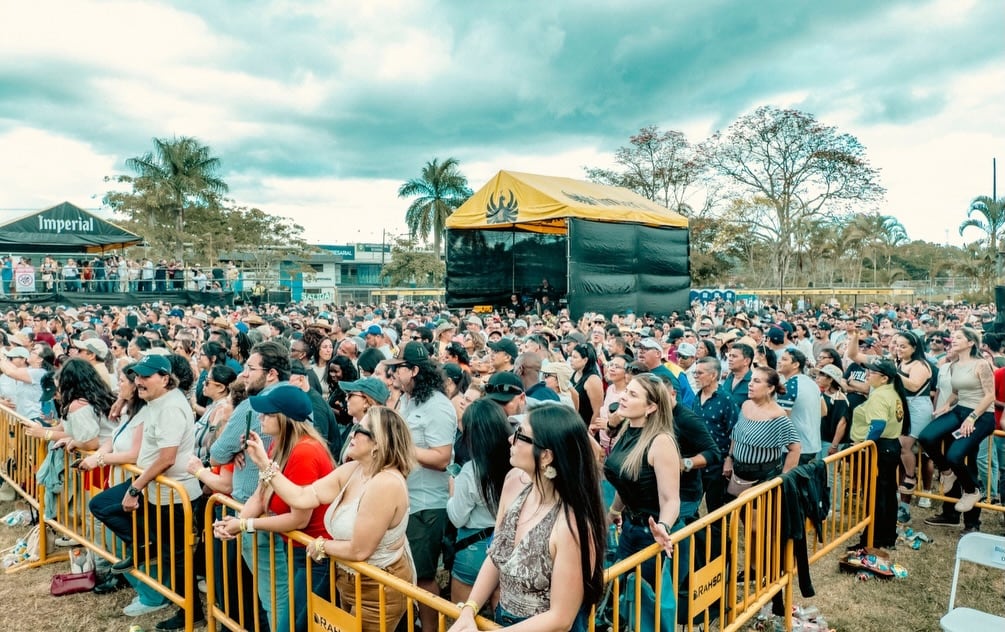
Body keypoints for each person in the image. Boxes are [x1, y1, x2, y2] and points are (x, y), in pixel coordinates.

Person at [244, 406, 416, 630]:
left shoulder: (386, 483)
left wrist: (322, 545)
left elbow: (359, 550)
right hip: (349, 581)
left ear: (378, 443)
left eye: (360, 429)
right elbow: (302, 496)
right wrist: (265, 465)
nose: (352, 434)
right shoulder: (354, 469)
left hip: (378, 588)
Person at [448, 404, 605, 631]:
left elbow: (561, 618)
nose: (510, 439)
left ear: (546, 456)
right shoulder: (514, 482)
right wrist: (469, 608)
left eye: (520, 434)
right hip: (505, 619)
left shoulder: (571, 526)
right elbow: (496, 556)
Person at [88, 353, 204, 631]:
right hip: (158, 490)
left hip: (175, 496)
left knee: (176, 559)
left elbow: (166, 458)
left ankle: (190, 612)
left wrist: (135, 488)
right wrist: (121, 399)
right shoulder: (156, 400)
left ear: (165, 378)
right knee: (102, 505)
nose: (138, 381)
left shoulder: (170, 408)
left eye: (145, 376)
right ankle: (144, 544)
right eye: (136, 376)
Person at [213, 384, 335, 632]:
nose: (260, 418)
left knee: (289, 625)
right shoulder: (277, 445)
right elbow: (260, 495)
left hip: (316, 555)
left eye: (267, 414)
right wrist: (232, 525)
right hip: (298, 549)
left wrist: (245, 524)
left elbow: (298, 520)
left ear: (285, 418)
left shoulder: (305, 451)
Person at [386, 341, 457, 631]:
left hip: (427, 506)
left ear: (414, 370)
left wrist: (401, 446)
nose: (393, 376)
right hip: (406, 501)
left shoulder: (438, 406)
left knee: (423, 578)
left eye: (398, 370)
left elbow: (441, 457)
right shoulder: (408, 399)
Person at [605, 373, 681, 585]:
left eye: (632, 394)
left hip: (651, 536)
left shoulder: (661, 441)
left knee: (641, 603)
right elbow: (626, 479)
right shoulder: (627, 430)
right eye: (626, 391)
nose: (623, 397)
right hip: (629, 528)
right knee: (619, 593)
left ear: (650, 407)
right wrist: (613, 512)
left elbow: (671, 499)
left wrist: (663, 527)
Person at [920, 327, 997, 530]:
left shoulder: (981, 364)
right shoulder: (954, 365)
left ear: (971, 342)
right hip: (960, 410)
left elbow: (990, 396)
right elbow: (956, 391)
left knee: (958, 456)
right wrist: (947, 404)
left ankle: (972, 495)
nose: (952, 340)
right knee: (926, 437)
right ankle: (946, 472)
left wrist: (972, 418)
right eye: (952, 338)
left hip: (981, 416)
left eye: (958, 338)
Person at [446, 399, 512, 604]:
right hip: (507, 548)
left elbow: (457, 518)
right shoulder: (516, 466)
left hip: (473, 549)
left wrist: (452, 489)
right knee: (498, 623)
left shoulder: (470, 472)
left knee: (465, 616)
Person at [847, 359, 909, 549]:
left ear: (884, 378)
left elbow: (878, 425)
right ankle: (885, 536)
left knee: (876, 495)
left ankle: (872, 539)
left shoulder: (880, 396)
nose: (867, 375)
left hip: (879, 448)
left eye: (872, 373)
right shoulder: (891, 392)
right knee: (887, 494)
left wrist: (865, 445)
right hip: (890, 446)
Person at [722, 366, 801, 496]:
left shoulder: (777, 416)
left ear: (770, 388)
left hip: (763, 478)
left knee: (754, 516)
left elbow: (795, 448)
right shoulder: (746, 405)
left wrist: (784, 478)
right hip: (738, 475)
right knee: (733, 513)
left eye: (757, 381)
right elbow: (736, 435)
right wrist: (729, 458)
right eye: (751, 380)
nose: (750, 384)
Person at [570, 343, 604, 436]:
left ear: (585, 360)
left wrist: (590, 431)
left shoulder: (593, 379)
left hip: (585, 429)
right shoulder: (575, 373)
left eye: (575, 357)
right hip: (574, 426)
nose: (571, 360)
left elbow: (597, 410)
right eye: (571, 356)